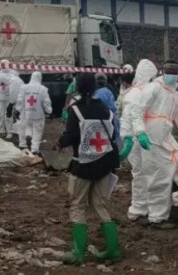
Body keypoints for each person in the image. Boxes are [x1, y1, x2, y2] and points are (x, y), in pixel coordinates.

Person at [135, 60, 178, 229]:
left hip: (167, 139)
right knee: (159, 179)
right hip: (151, 141)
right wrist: (140, 132)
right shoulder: (153, 89)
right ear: (163, 72)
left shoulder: (176, 96)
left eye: (175, 72)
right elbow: (137, 111)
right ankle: (157, 218)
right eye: (169, 71)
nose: (172, 75)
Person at [59, 74, 121, 265]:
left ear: (77, 87)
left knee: (78, 205)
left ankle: (78, 253)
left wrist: (60, 143)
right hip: (104, 164)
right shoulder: (105, 109)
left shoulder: (75, 109)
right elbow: (113, 133)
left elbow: (70, 136)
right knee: (99, 205)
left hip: (83, 166)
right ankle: (113, 251)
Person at [118, 59, 156, 222]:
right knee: (141, 174)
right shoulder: (135, 94)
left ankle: (146, 207)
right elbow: (127, 118)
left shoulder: (141, 92)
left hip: (145, 138)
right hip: (138, 140)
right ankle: (139, 208)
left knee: (146, 174)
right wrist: (128, 139)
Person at [15, 72, 52, 155]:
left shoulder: (24, 88)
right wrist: (49, 111)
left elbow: (20, 100)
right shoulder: (43, 89)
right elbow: (46, 102)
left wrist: (18, 110)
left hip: (26, 113)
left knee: (24, 127)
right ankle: (34, 149)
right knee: (37, 132)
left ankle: (23, 144)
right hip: (38, 114)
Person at [95, 72, 120, 142]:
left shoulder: (93, 92)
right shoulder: (109, 92)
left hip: (96, 121)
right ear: (105, 82)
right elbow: (113, 108)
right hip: (108, 119)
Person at [7, 72, 25, 140]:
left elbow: (13, 92)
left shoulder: (13, 80)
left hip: (19, 102)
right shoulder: (19, 80)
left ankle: (17, 136)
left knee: (16, 118)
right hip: (22, 101)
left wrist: (10, 104)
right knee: (20, 118)